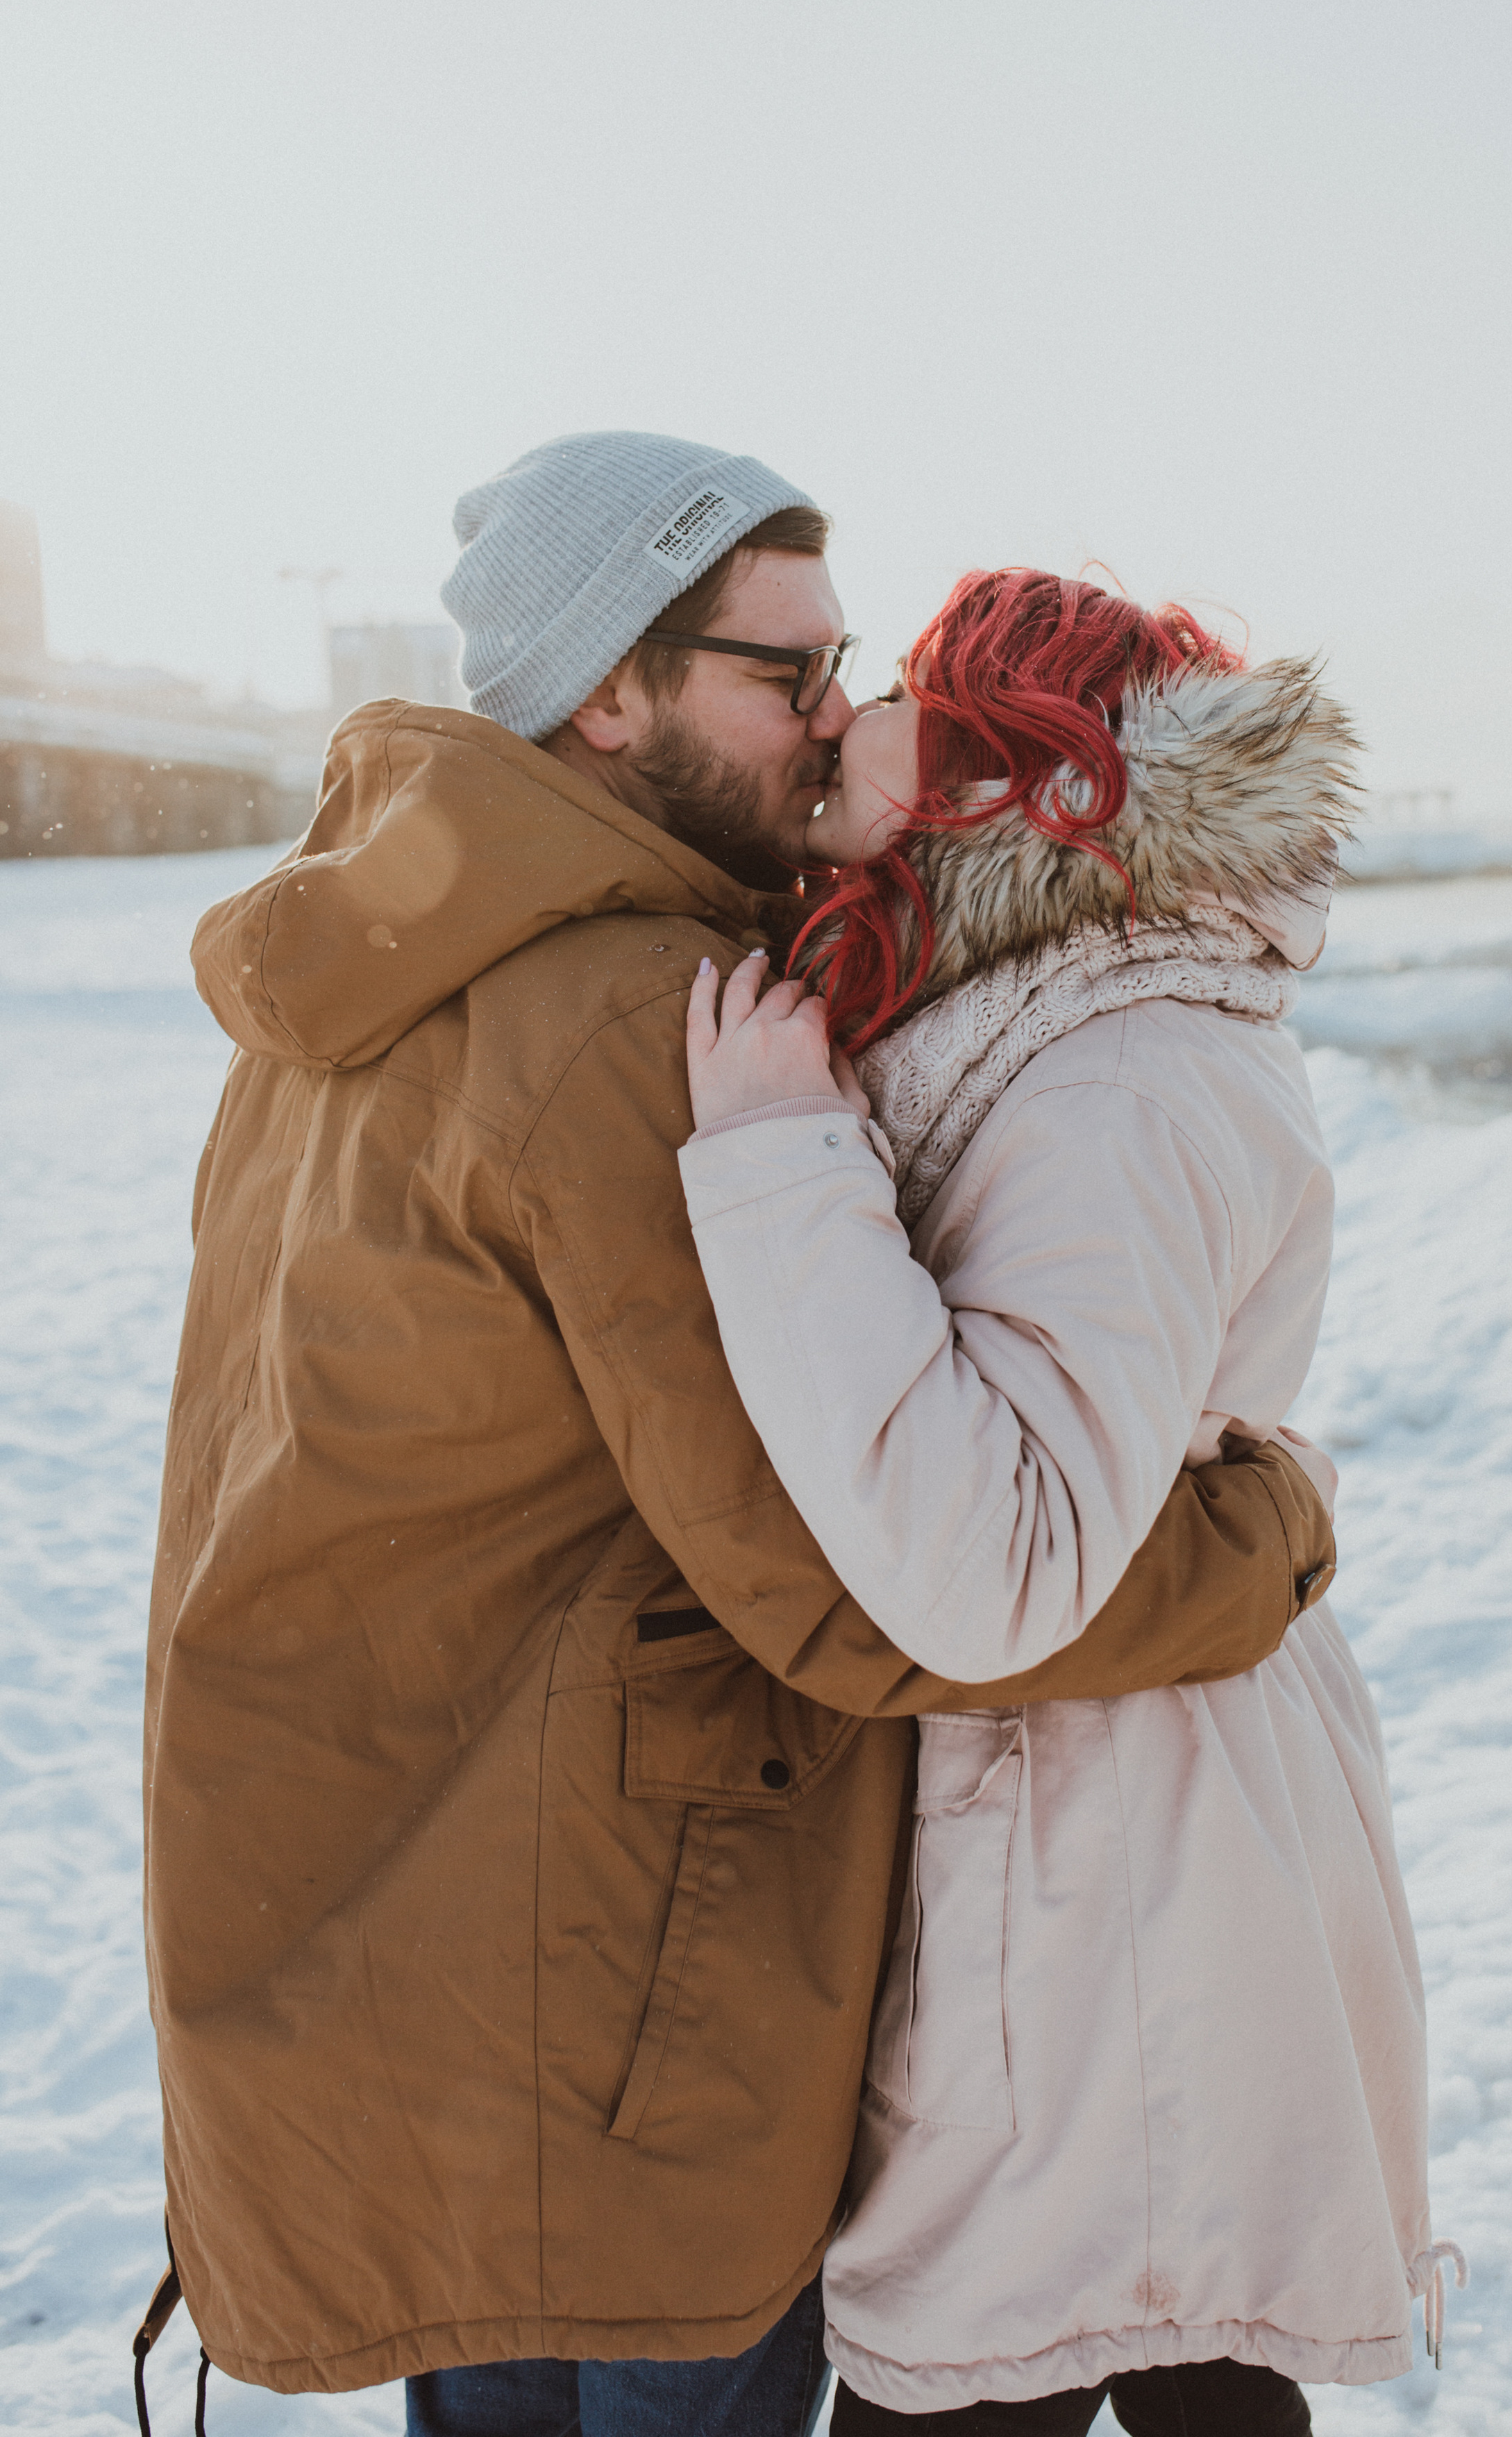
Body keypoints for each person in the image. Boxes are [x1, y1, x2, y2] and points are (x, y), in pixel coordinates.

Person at [139, 437, 1338, 2437]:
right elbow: (860, 1595)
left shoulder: (356, 979)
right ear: (609, 693)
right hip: (623, 1992)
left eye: (847, 662)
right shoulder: (632, 1019)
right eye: (783, 678)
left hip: (386, 1944)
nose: (842, 720)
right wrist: (1265, 1540)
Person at [680, 567, 1463, 2434]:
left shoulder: (1116, 1072)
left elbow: (999, 1557)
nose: (858, 709)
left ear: (1010, 765)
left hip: (1113, 1860)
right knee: (1193, 2370)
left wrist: (783, 1164)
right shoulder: (1060, 1001)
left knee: (1004, 2374)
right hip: (1131, 1829)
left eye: (916, 688)